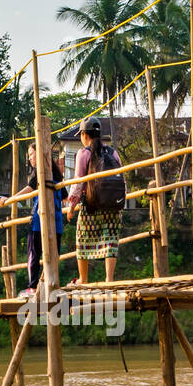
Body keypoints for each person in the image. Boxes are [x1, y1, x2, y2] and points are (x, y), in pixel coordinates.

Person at [67, 118, 122, 284]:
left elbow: (78, 183)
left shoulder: (84, 154)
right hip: (113, 206)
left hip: (92, 206)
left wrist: (71, 207)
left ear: (84, 135)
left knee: (82, 239)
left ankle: (83, 279)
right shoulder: (112, 152)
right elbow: (122, 179)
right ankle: (109, 279)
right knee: (110, 240)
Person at [14, 141, 64, 295]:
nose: (30, 159)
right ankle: (51, 285)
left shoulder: (39, 171)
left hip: (38, 221)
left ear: (40, 154)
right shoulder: (57, 174)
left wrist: (11, 198)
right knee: (53, 255)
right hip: (56, 223)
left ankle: (33, 286)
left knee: (34, 253)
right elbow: (66, 197)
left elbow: (29, 188)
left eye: (31, 154)